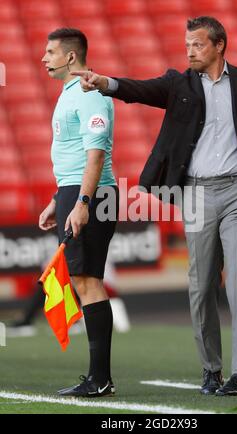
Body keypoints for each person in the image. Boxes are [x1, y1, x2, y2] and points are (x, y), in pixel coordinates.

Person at [73, 16, 237, 396]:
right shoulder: (179, 84)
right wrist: (104, 83)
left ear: (220, 45)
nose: (190, 50)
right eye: (187, 44)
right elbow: (138, 89)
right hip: (197, 195)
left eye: (198, 44)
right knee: (201, 286)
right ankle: (211, 370)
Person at [40, 28, 119, 398]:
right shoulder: (69, 93)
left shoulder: (90, 93)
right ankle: (98, 377)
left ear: (71, 57)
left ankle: (100, 378)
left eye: (51, 51)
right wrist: (59, 199)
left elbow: (95, 153)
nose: (44, 57)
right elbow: (73, 155)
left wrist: (83, 203)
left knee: (87, 281)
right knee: (84, 280)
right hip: (75, 191)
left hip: (93, 194)